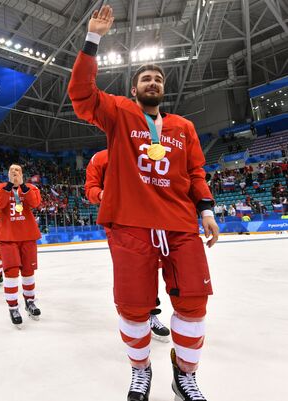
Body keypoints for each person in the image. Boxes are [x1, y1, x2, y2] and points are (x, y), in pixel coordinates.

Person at [68, 5, 219, 401]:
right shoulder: (119, 112)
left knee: (194, 302)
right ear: (134, 89)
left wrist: (206, 210)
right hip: (131, 225)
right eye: (145, 78)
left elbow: (197, 173)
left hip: (181, 224)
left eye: (158, 78)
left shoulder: (183, 127)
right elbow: (81, 95)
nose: (152, 81)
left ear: (163, 88)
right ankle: (140, 371)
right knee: (134, 308)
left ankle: (184, 375)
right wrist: (93, 39)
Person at [85, 149, 170, 342]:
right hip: (120, 221)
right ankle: (132, 318)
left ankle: (150, 314)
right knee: (129, 271)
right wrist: (102, 194)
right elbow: (90, 190)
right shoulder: (99, 157)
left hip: (150, 217)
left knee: (151, 269)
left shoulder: (144, 150)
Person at [0, 164, 42, 326]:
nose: (15, 172)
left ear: (22, 174)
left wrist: (23, 186)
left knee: (28, 271)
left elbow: (35, 203)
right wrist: (9, 186)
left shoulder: (31, 187)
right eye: (12, 170)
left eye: (18, 170)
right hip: (8, 237)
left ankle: (30, 301)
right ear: (7, 173)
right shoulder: (0, 187)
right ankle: (13, 306)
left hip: (27, 236)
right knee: (11, 272)